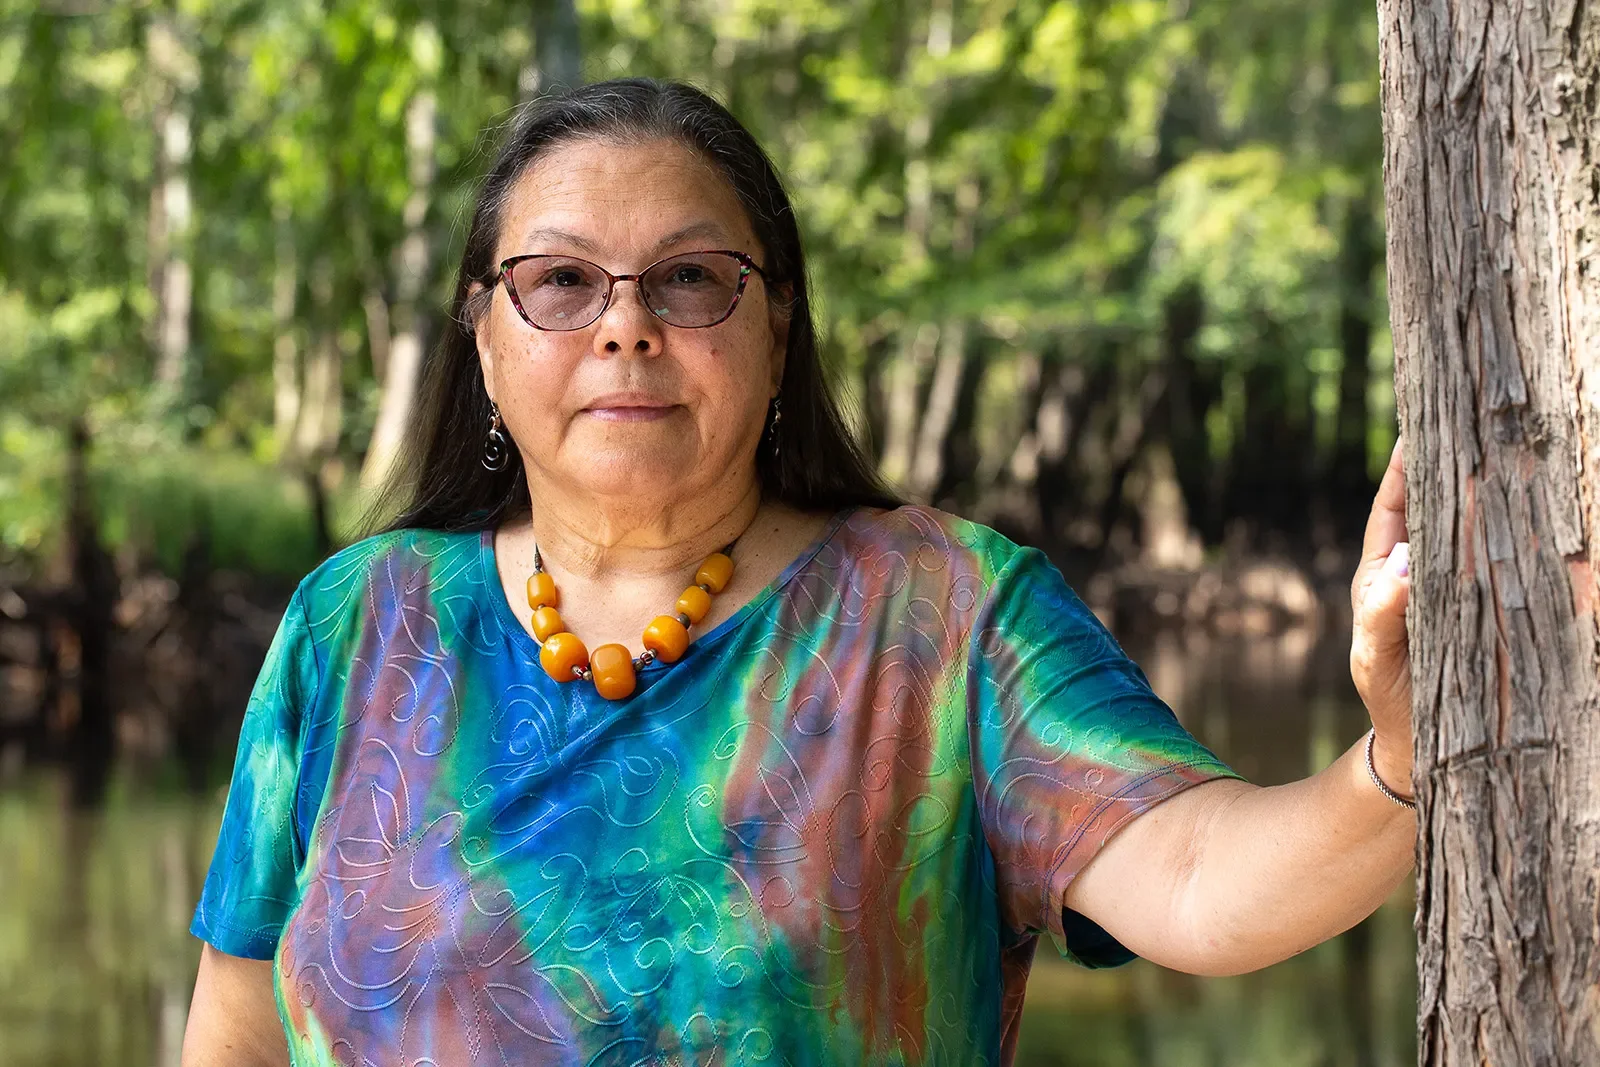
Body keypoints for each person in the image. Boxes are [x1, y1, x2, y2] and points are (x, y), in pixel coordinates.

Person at [180, 79, 1415, 1067]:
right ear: (484, 342)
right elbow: (233, 1031)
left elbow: (1200, 882)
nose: (625, 324)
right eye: (558, 281)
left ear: (777, 330)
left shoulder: (942, 616)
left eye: (690, 278)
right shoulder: (357, 620)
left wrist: (1399, 763)